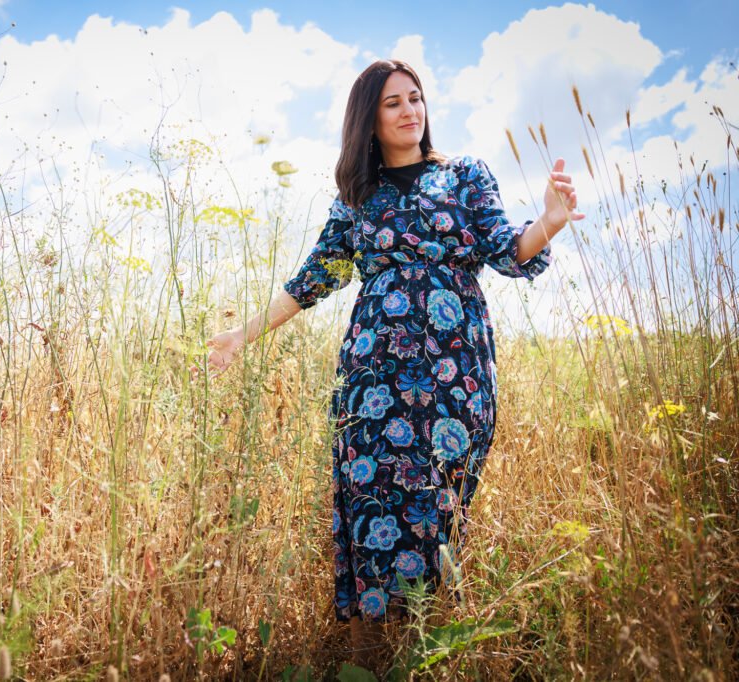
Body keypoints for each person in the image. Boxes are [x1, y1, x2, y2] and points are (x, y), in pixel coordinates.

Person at [202, 59, 583, 674]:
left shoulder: (464, 176)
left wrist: (549, 223)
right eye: (393, 103)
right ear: (369, 120)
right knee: (370, 496)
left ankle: (427, 648)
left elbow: (507, 253)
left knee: (441, 501)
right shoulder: (357, 197)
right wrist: (240, 336)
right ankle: (364, 657)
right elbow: (314, 279)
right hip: (375, 374)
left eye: (417, 98)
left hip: (455, 370)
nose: (411, 111)